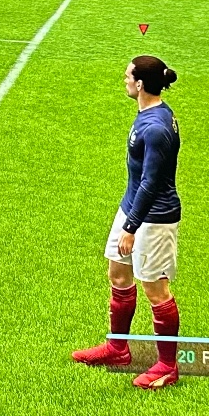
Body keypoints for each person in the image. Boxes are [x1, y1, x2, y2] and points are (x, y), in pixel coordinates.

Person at [71, 55, 184, 391]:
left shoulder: (156, 128)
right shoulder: (150, 114)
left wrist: (131, 227)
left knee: (155, 290)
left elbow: (152, 182)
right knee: (118, 274)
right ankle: (118, 349)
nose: (124, 80)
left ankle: (167, 366)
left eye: (127, 76)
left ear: (140, 84)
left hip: (153, 218)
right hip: (132, 207)